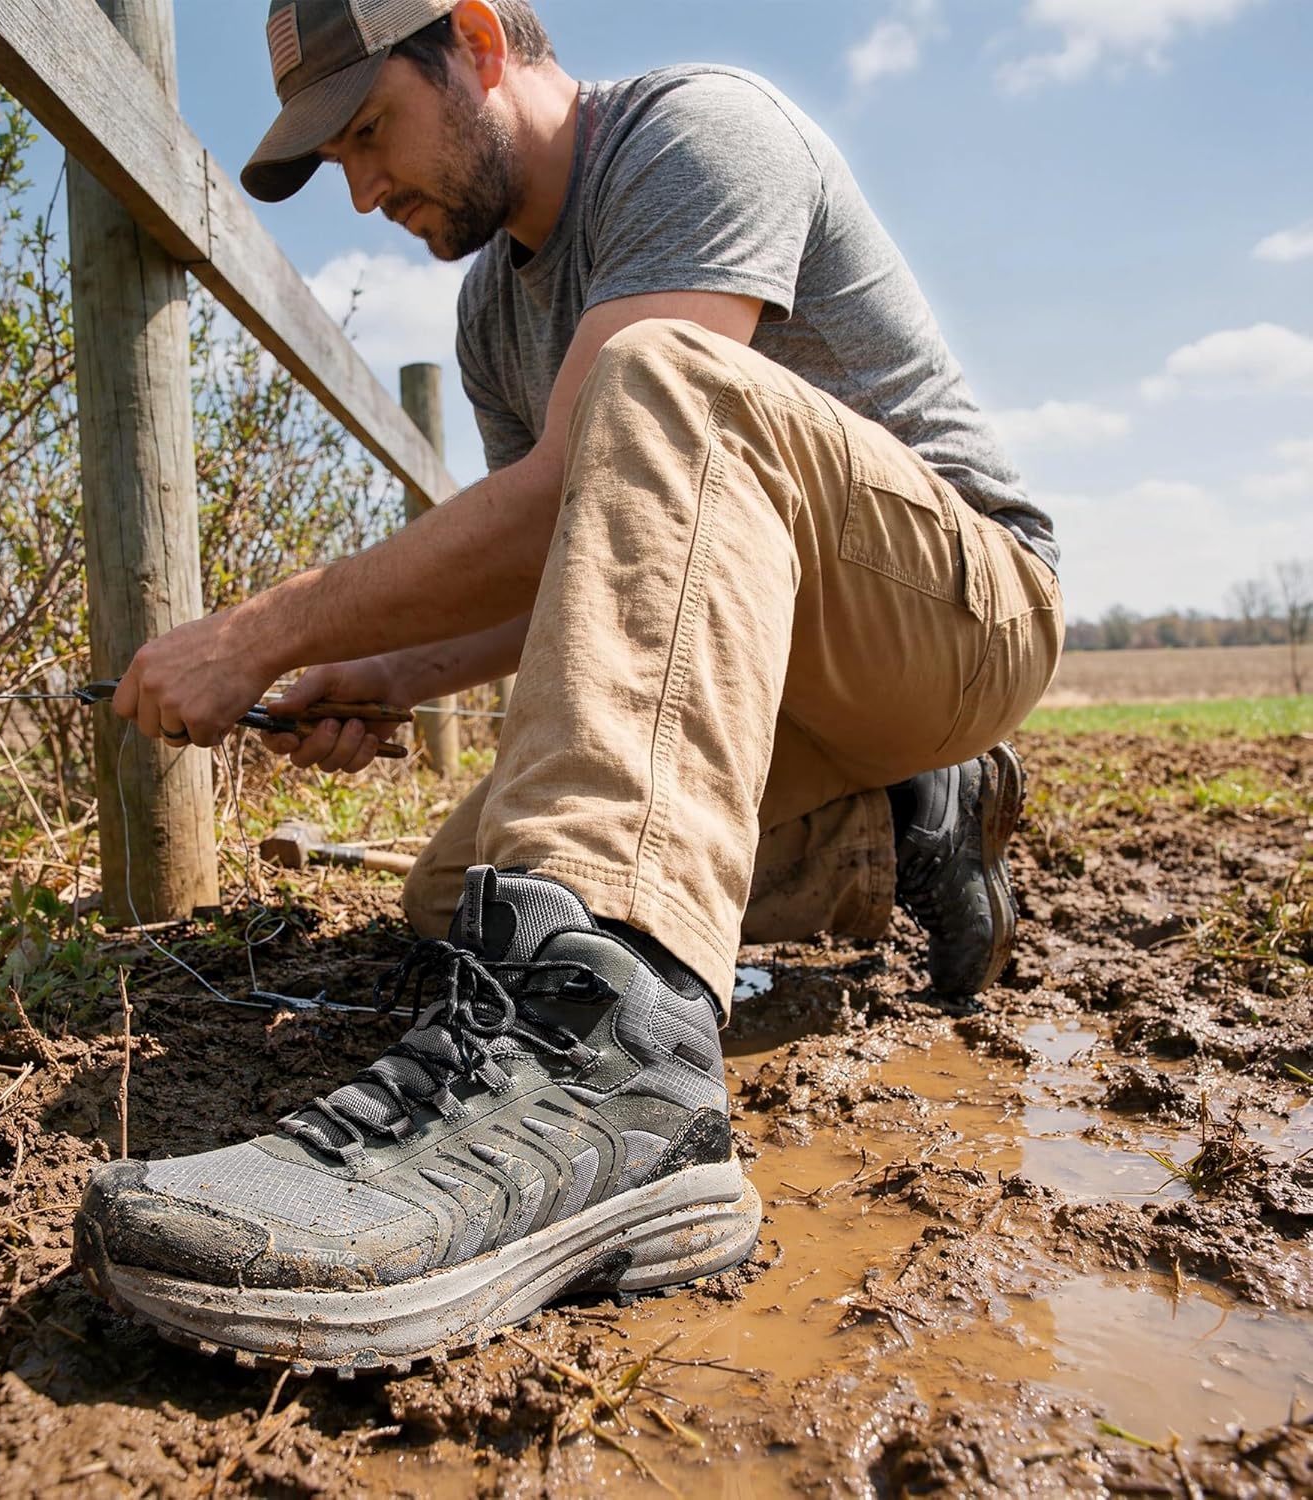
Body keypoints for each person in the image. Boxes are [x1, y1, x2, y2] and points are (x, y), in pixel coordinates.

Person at [73, 0, 1063, 1372]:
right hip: (769, 670)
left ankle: (622, 1085)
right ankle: (896, 831)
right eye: (338, 163)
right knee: (455, 896)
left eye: (373, 131)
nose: (363, 190)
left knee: (663, 380)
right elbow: (564, 569)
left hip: (961, 614)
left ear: (479, 43)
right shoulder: (494, 315)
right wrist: (373, 675)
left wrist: (265, 631)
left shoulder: (694, 133)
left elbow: (580, 483)